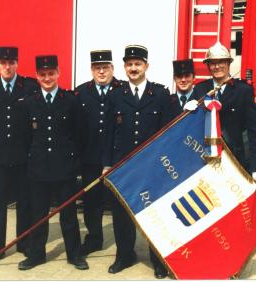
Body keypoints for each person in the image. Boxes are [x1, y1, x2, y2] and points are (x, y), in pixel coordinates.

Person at [102, 45, 170, 278]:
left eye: (137, 64)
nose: (133, 68)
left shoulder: (159, 94)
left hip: (151, 166)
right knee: (122, 213)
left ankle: (158, 260)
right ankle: (124, 255)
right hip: (124, 166)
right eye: (129, 64)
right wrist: (107, 163)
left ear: (146, 66)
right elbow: (109, 132)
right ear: (124, 67)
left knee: (154, 212)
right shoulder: (116, 94)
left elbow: (166, 133)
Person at [18, 55, 88, 270]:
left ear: (58, 73)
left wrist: (74, 164)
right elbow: (25, 138)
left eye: (51, 73)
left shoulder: (71, 100)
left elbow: (79, 135)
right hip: (38, 168)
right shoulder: (29, 102)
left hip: (64, 168)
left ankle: (74, 255)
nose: (47, 78)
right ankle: (37, 254)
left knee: (68, 215)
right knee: (38, 215)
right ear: (37, 76)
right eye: (42, 74)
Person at [0, 46, 38, 266]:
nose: (7, 66)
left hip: (22, 157)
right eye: (3, 62)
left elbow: (33, 121)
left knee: (25, 203)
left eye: (11, 62)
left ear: (17, 63)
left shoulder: (29, 86)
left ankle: (24, 244)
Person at [192, 42, 256, 191]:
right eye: (212, 63)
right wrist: (188, 110)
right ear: (208, 66)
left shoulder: (243, 90)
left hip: (234, 160)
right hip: (204, 160)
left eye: (221, 62)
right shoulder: (200, 89)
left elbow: (254, 132)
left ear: (228, 63)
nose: (217, 66)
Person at [74, 50, 121, 256]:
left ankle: (124, 244)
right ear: (92, 70)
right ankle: (94, 239)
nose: (101, 72)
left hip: (117, 157)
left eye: (105, 67)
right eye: (97, 68)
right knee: (92, 201)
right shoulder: (81, 92)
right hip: (91, 158)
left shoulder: (124, 90)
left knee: (119, 204)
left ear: (112, 68)